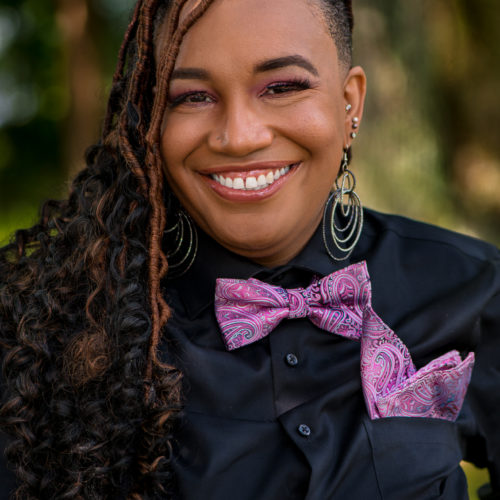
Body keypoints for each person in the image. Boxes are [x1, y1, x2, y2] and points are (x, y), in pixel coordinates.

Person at [0, 0, 499, 498]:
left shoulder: (471, 286)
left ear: (351, 102)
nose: (239, 136)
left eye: (282, 87)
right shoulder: (48, 340)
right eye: (192, 96)